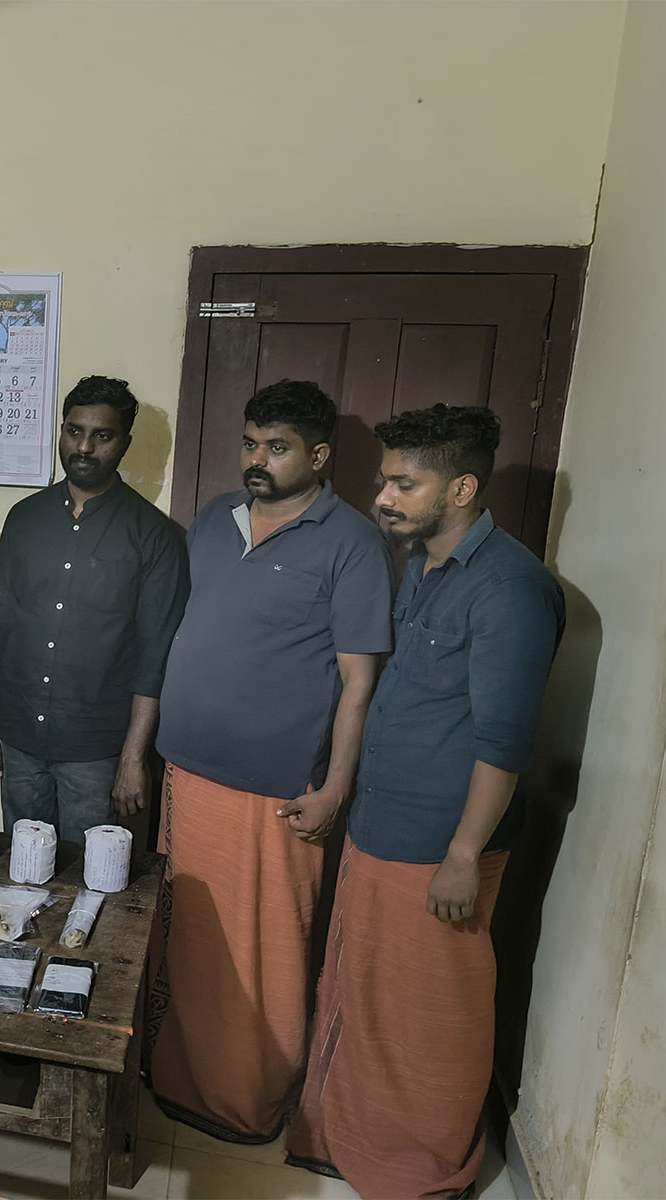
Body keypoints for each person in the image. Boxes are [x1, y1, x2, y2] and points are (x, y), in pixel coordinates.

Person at [287, 405, 565, 1198]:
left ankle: (422, 1175)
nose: (384, 496)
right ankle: (356, 1144)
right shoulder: (425, 566)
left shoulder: (511, 588)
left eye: (406, 483)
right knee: (366, 999)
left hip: (441, 849)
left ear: (463, 487)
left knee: (432, 1022)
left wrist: (464, 857)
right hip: (383, 821)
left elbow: (503, 742)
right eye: (385, 479)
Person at [147, 380, 394, 1144]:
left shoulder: (351, 541)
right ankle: (175, 1077)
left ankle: (249, 1100)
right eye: (251, 443)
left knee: (263, 953)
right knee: (187, 939)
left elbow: (360, 682)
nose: (257, 460)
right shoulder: (215, 521)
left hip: (275, 794)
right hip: (187, 772)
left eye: (277, 447)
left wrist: (335, 788)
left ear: (318, 455)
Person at [0, 375, 188, 843]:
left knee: (90, 887)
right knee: (23, 871)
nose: (84, 447)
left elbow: (154, 660)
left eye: (102, 435)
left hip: (97, 751)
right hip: (20, 737)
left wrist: (133, 758)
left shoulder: (153, 535)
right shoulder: (25, 517)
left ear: (124, 443)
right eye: (73, 431)